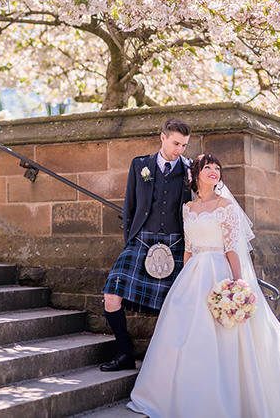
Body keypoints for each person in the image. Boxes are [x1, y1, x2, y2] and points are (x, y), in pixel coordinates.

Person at [127, 154, 280, 417]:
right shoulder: (188, 208)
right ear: (196, 174)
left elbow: (232, 249)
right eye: (208, 168)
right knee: (181, 332)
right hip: (192, 275)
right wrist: (181, 277)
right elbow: (189, 249)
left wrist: (238, 285)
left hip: (219, 272)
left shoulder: (226, 206)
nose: (214, 171)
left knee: (221, 336)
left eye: (217, 168)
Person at [100, 117, 192, 372]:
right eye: (175, 143)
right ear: (162, 137)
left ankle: (167, 364)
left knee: (173, 305)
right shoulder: (140, 165)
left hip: (176, 242)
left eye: (184, 145)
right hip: (141, 240)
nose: (179, 150)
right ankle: (125, 353)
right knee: (111, 295)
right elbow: (129, 205)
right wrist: (130, 240)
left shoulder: (190, 169)